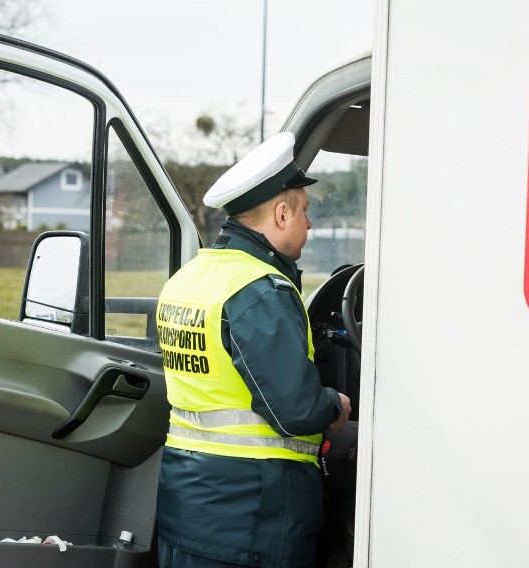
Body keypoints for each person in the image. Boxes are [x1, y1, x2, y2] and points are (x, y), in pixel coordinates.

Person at [155, 132, 352, 568]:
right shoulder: (259, 291)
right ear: (282, 214)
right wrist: (335, 403)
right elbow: (295, 410)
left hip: (188, 505)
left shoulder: (187, 280)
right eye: (304, 211)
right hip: (251, 517)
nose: (310, 224)